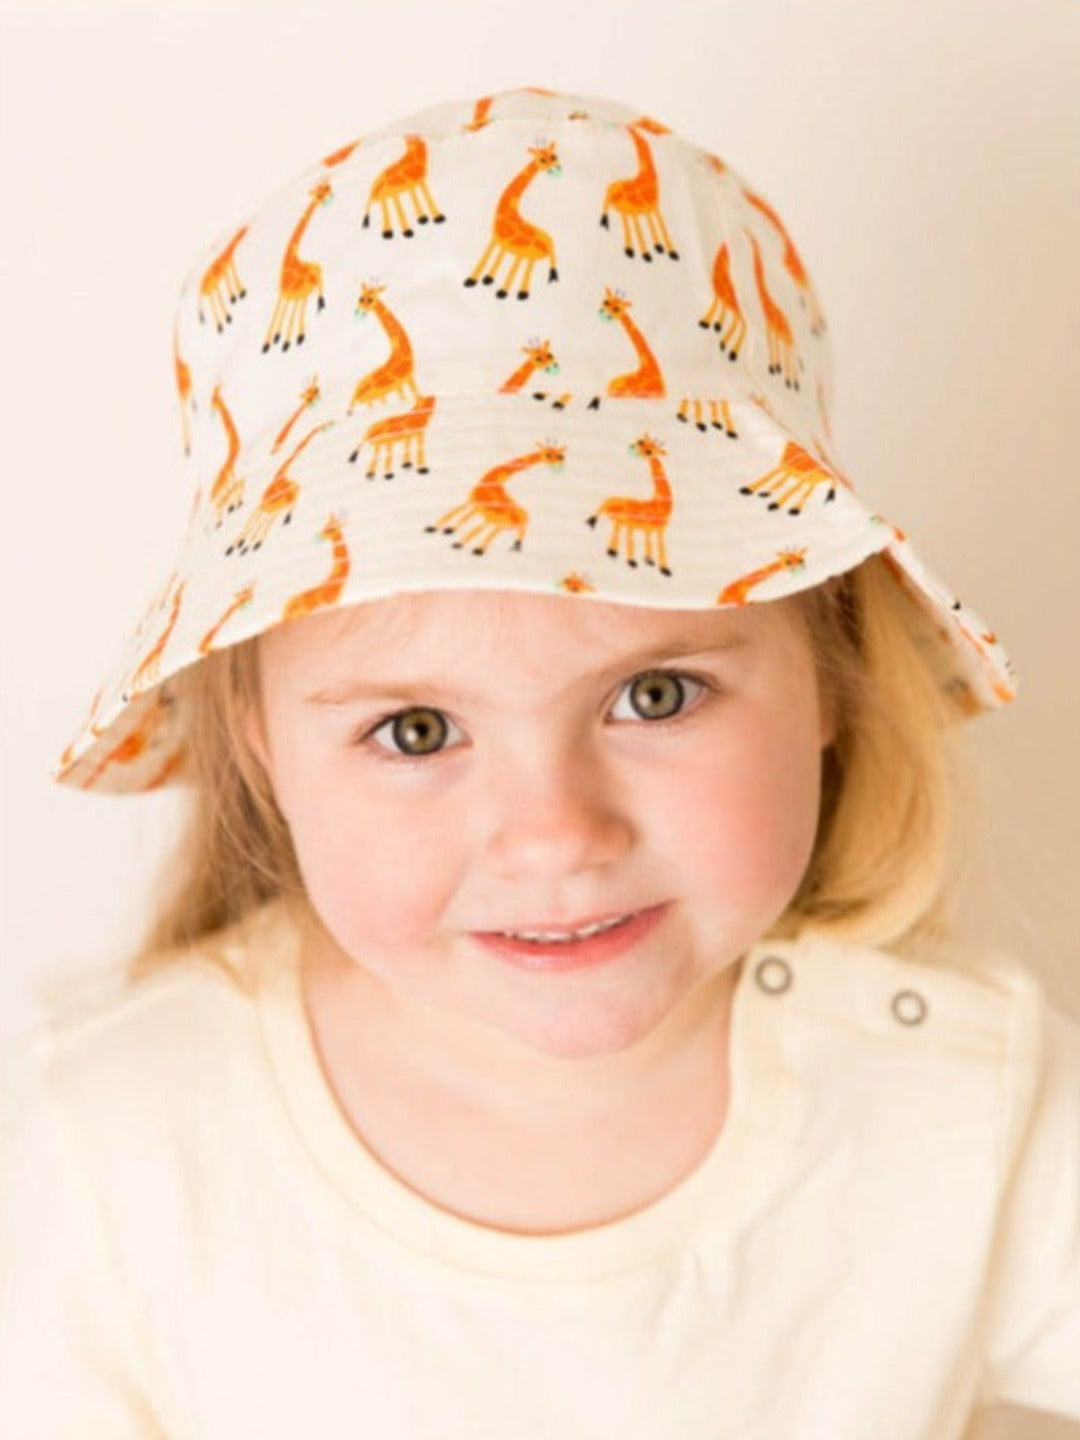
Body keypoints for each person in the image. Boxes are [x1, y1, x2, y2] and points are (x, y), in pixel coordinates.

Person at [1, 86, 1076, 1438]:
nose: (556, 834)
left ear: (830, 672)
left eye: (656, 694)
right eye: (416, 731)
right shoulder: (123, 1145)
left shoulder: (961, 1100)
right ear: (263, 750)